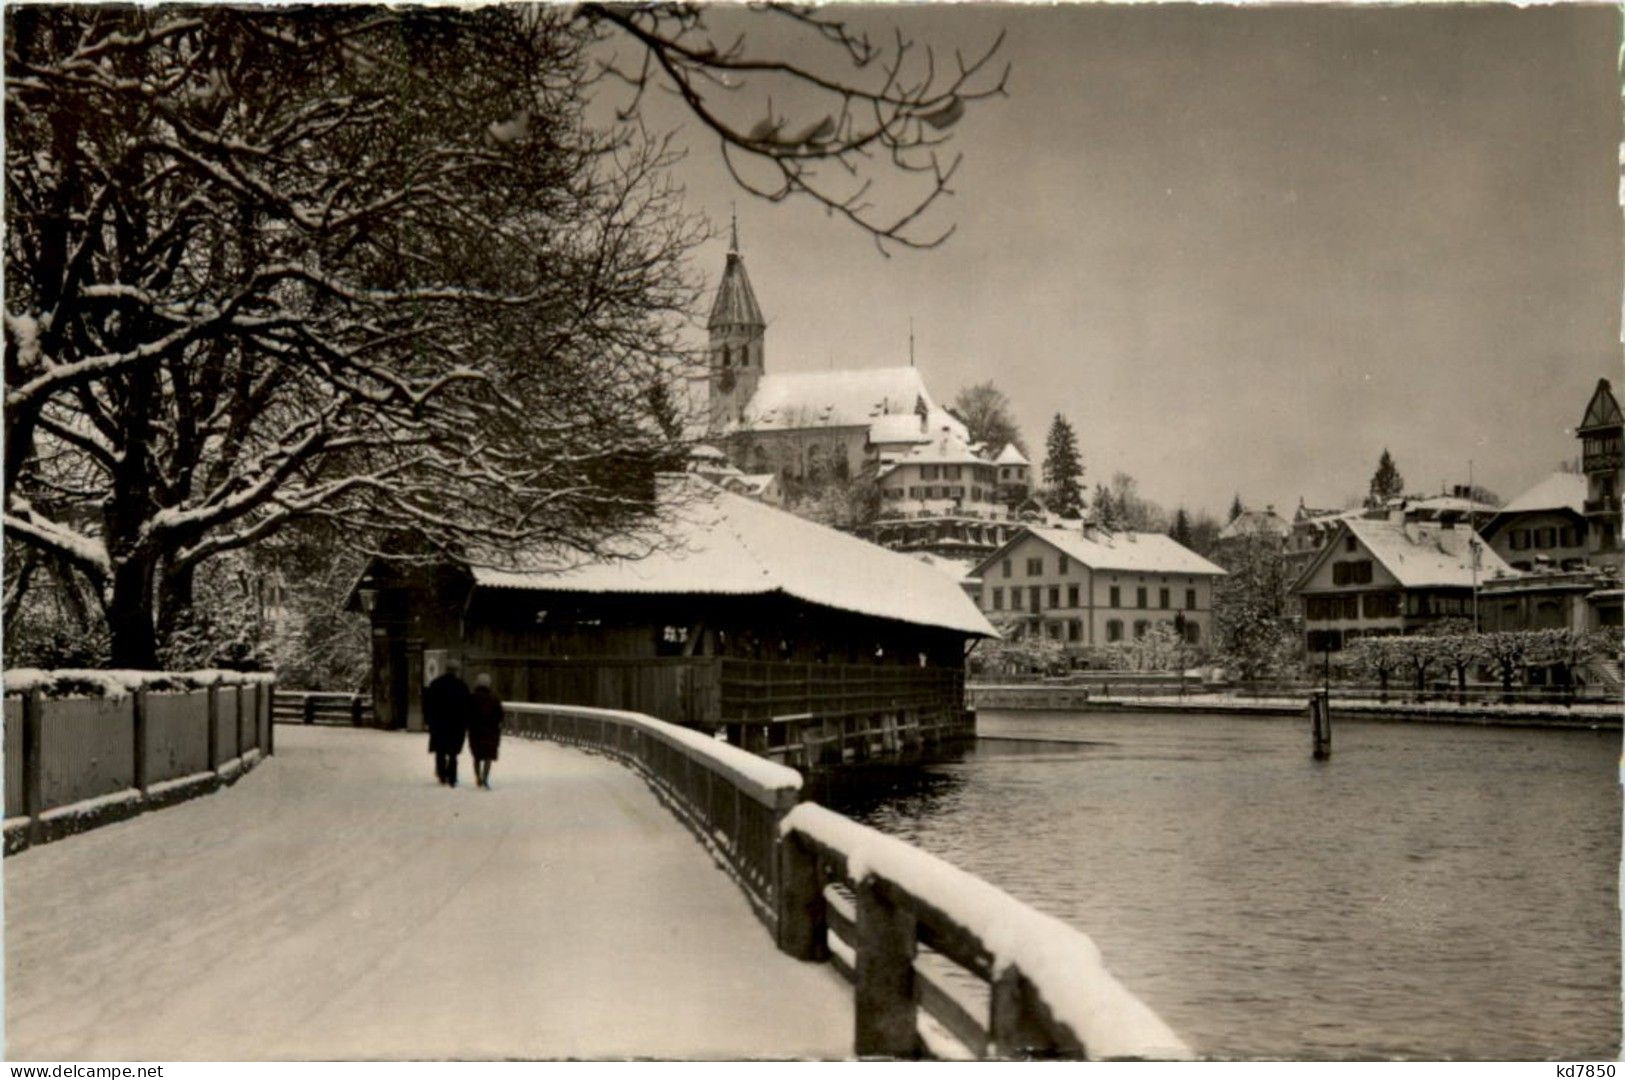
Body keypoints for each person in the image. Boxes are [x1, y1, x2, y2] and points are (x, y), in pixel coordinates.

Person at [423, 658, 470, 787]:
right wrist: (465, 723)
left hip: (439, 724)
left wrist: (428, 720)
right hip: (456, 725)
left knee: (440, 751)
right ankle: (452, 776)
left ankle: (442, 774)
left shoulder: (435, 684)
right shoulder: (462, 686)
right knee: (453, 752)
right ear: (456, 671)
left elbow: (428, 704)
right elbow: (467, 707)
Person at [467, 673, 503, 790]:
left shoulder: (471, 698)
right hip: (491, 731)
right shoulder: (494, 699)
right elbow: (500, 716)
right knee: (488, 756)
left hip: (475, 731)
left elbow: (466, 714)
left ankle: (478, 777)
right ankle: (485, 777)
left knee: (477, 756)